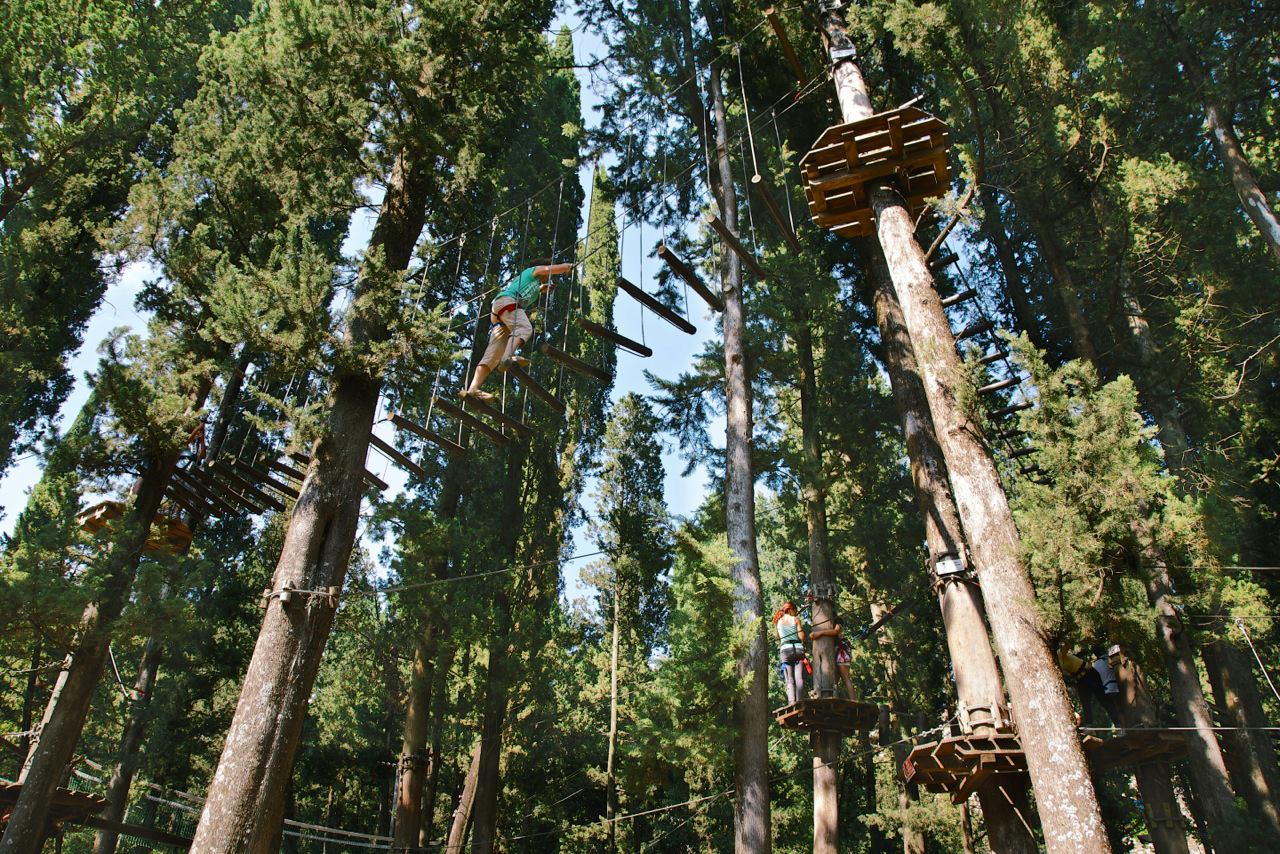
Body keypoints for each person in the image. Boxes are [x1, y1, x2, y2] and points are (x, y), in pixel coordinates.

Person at [460, 258, 575, 402]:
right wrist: (566, 266)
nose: (547, 277)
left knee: (493, 354)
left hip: (501, 313)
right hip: (507, 302)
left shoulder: (530, 283)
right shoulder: (532, 271)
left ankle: (473, 389)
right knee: (525, 328)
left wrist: (541, 289)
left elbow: (525, 290)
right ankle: (507, 358)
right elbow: (546, 269)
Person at [809, 616, 856, 700]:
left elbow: (836, 631)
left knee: (845, 678)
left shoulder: (838, 622)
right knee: (835, 680)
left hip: (841, 651)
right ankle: (834, 697)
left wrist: (820, 633)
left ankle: (853, 700)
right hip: (836, 652)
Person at [773, 601, 807, 705]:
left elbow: (777, 637)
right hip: (797, 649)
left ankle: (792, 703)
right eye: (795, 611)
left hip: (785, 650)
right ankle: (800, 701)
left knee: (790, 680)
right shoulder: (795, 619)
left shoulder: (778, 621)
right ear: (791, 610)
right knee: (799, 677)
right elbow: (801, 637)